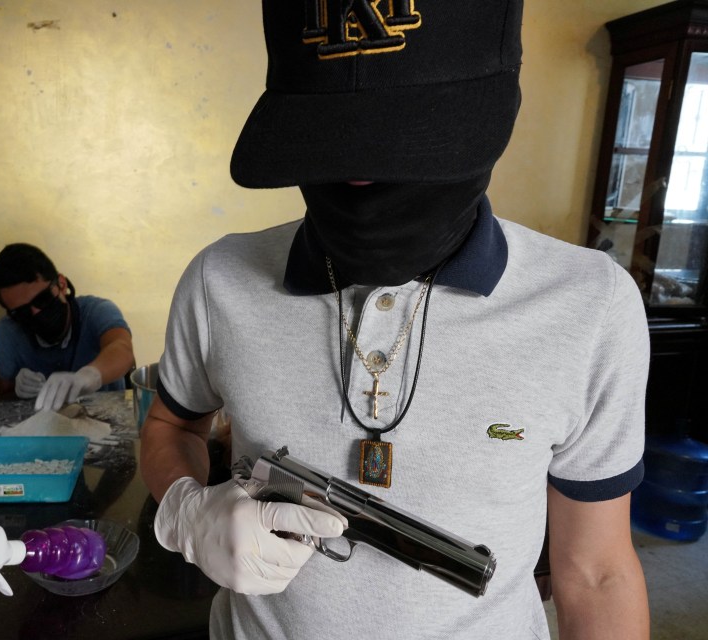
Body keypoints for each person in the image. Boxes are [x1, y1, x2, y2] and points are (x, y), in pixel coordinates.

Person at [140, 2, 650, 639]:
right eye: (332, 152)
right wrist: (187, 512)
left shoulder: (592, 306)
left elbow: (598, 571)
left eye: (409, 146)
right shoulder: (220, 281)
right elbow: (169, 423)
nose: (367, 180)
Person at [0, 243, 134, 411]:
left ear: (61, 284)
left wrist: (89, 376)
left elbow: (122, 349)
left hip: (109, 422)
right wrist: (17, 392)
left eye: (42, 299)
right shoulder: (8, 332)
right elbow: (4, 399)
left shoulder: (96, 311)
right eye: (22, 312)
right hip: (45, 431)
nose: (36, 312)